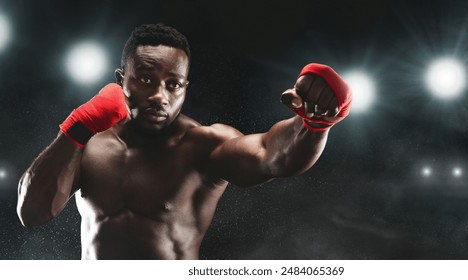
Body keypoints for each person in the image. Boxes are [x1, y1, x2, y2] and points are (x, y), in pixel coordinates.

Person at [16, 23, 352, 259]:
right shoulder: (89, 142)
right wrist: (77, 127)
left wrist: (314, 123)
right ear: (122, 79)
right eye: (146, 78)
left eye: (173, 84)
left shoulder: (204, 146)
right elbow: (32, 213)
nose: (159, 96)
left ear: (185, 88)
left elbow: (272, 155)